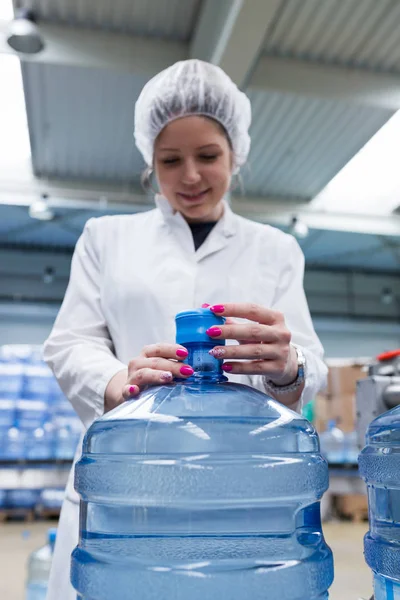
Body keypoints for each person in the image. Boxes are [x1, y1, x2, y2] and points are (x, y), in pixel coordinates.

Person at [43, 59, 327, 600]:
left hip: (239, 483)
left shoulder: (275, 249)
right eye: (170, 160)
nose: (191, 176)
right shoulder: (106, 238)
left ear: (236, 155)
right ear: (149, 161)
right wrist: (120, 383)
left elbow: (306, 360)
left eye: (208, 156)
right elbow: (70, 342)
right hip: (128, 472)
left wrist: (287, 368)